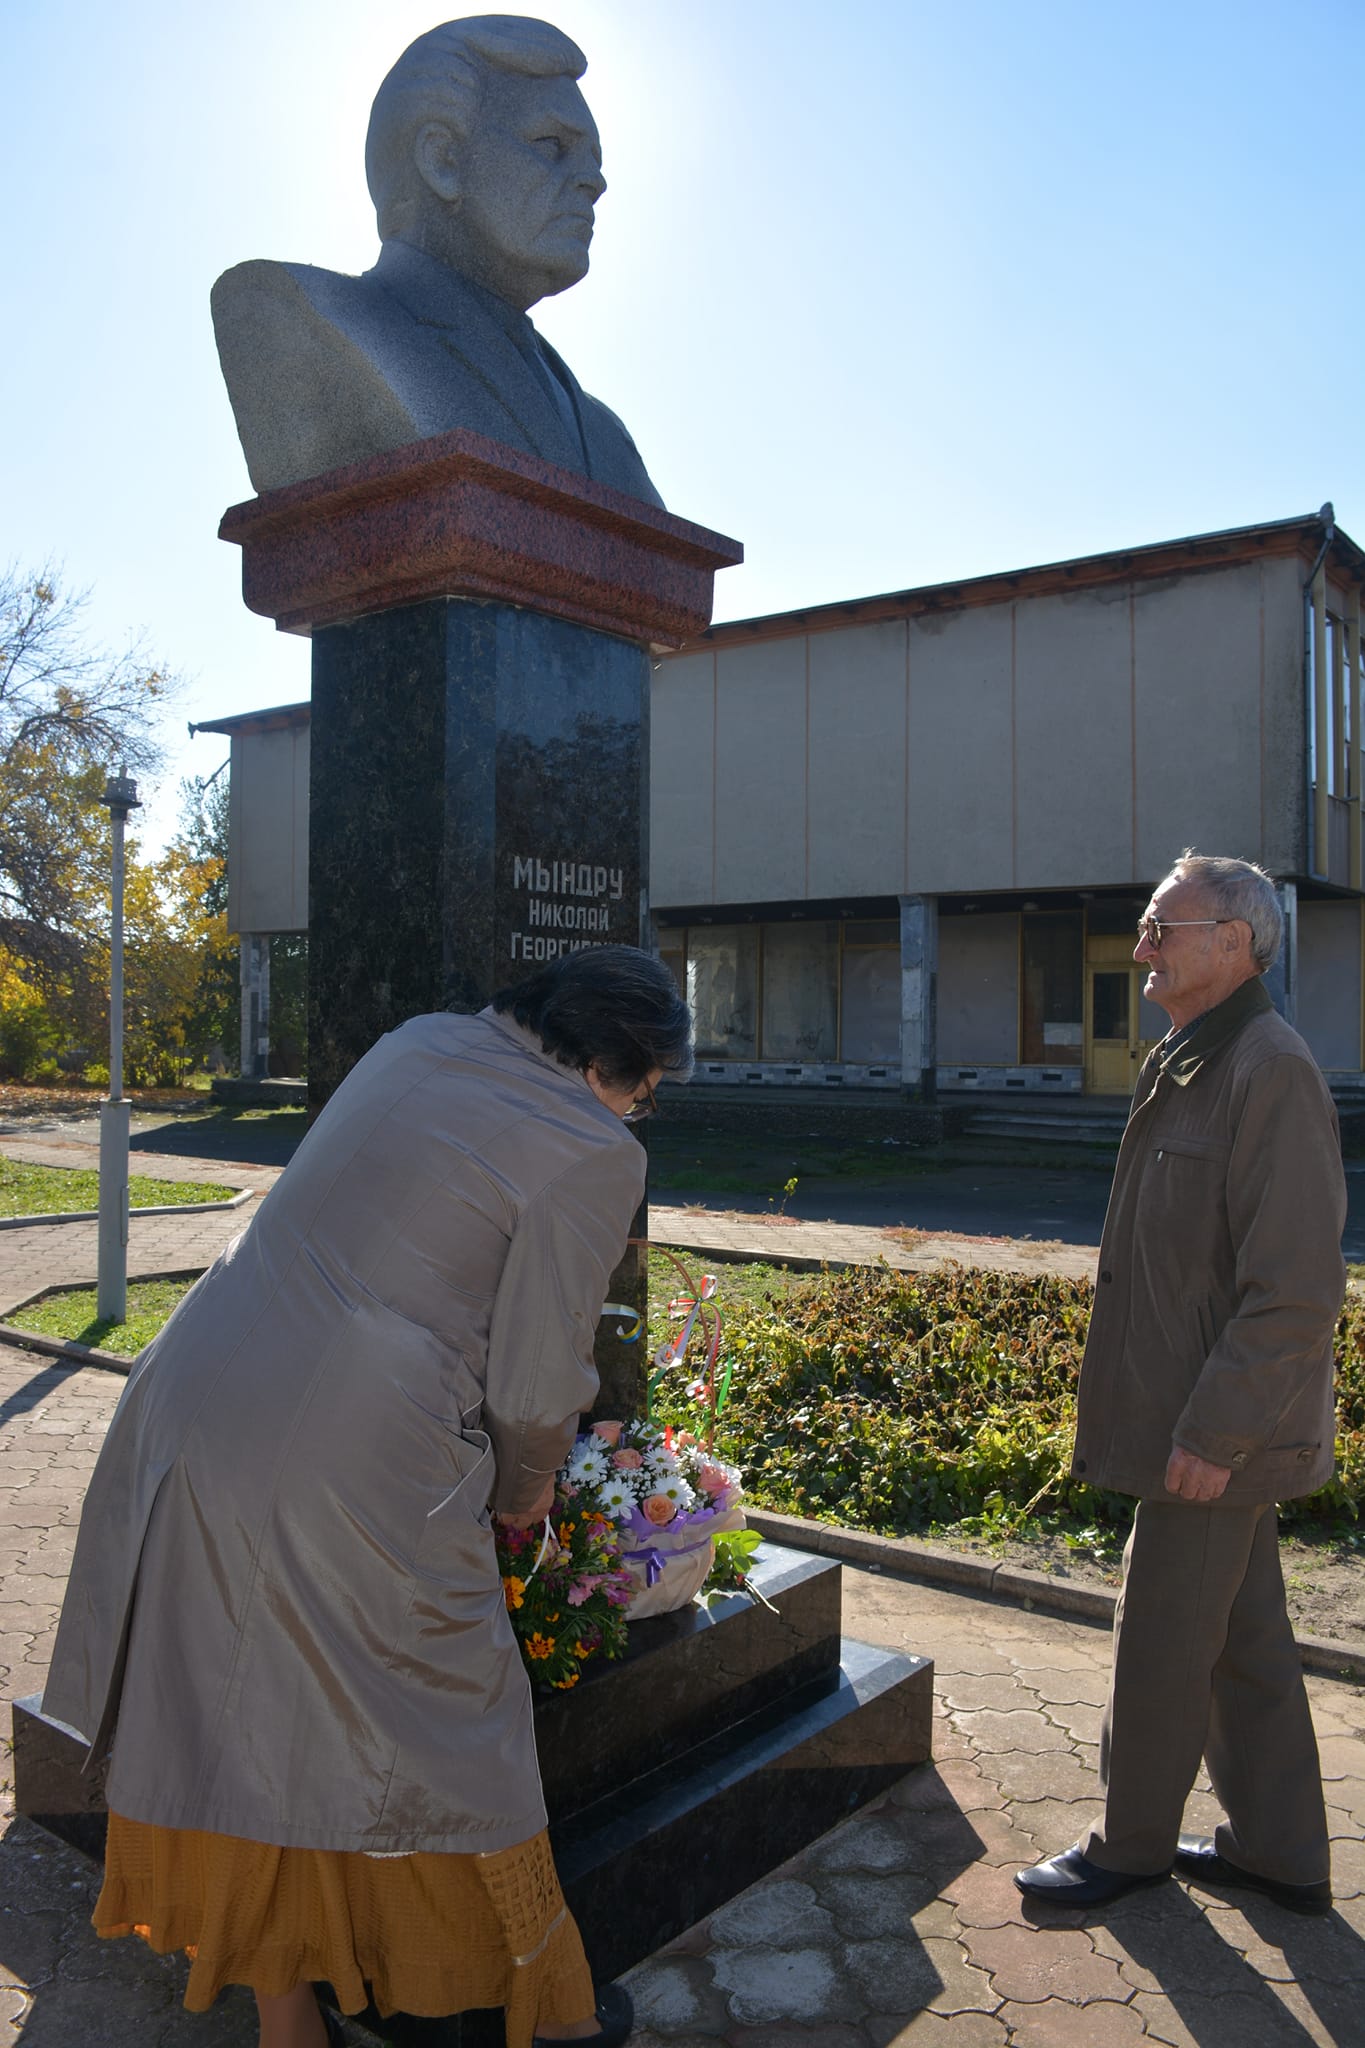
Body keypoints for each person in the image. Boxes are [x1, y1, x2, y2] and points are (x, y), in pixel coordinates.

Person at [42, 946, 692, 2048]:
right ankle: (534, 2002)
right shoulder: (590, 1145)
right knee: (460, 1717)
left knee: (239, 1705)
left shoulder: (417, 1041)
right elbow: (536, 1382)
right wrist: (527, 1492)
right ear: (607, 1064)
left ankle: (289, 2015)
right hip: (353, 1445)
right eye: (649, 1088)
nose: (643, 1112)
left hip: (192, 1387)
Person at [1015, 853, 1346, 1916]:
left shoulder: (1266, 1063)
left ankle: (1132, 1844)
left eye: (1165, 926)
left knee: (1164, 1633)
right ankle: (1281, 1849)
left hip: (1214, 1431)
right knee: (1243, 1643)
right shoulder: (1193, 1055)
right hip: (1191, 1416)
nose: (1142, 944)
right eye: (1147, 924)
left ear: (1236, 943)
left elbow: (1295, 1285)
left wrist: (1215, 1429)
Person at [212, 16, 662, 505]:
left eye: (594, 160)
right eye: (552, 146)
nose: (593, 182)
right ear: (442, 160)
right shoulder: (293, 313)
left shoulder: (605, 434)